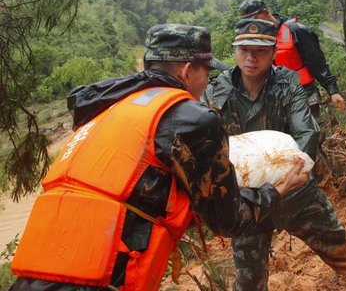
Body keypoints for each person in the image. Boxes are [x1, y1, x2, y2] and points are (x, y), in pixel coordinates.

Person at [9, 24, 308, 291]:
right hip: (99, 276)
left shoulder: (108, 107)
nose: (207, 84)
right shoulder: (192, 120)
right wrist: (277, 190)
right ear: (187, 71)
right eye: (206, 74)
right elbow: (227, 221)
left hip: (34, 269)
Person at [202, 19, 346, 291]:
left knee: (337, 245)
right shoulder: (217, 91)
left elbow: (306, 132)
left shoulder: (289, 85)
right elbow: (203, 139)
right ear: (235, 51)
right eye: (244, 50)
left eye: (260, 50)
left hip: (294, 190)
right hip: (249, 200)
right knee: (248, 280)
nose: (251, 58)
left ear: (274, 52)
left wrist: (294, 175)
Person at [238, 0, 345, 117]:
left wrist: (333, 91)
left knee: (309, 133)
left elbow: (317, 63)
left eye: (254, 19)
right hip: (275, 98)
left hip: (304, 94)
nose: (252, 24)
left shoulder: (296, 30)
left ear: (265, 12)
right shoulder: (258, 39)